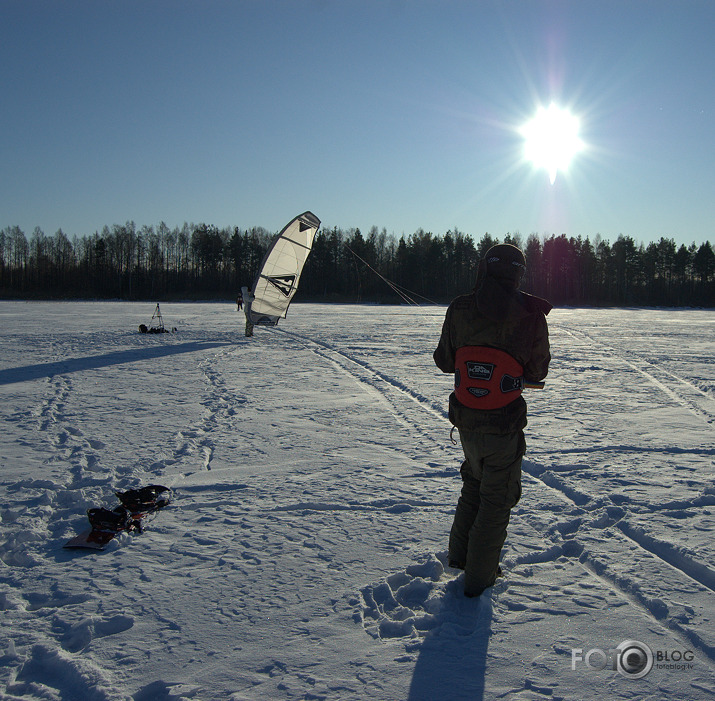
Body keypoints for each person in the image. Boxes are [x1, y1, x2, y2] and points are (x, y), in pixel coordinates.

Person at [433, 243, 551, 597]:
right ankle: (478, 581)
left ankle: (459, 558)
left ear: (485, 268)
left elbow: (443, 361)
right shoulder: (531, 315)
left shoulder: (460, 308)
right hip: (502, 424)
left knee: (474, 481)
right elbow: (538, 370)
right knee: (496, 499)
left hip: (466, 421)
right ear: (518, 273)